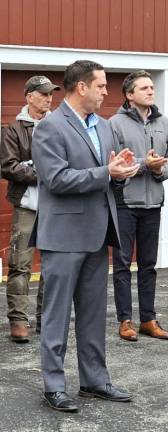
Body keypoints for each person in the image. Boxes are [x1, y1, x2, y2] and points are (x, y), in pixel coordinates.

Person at [31, 60, 139, 413]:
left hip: (97, 233)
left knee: (93, 314)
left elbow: (106, 176)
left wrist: (120, 172)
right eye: (102, 86)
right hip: (62, 236)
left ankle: (94, 380)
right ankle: (54, 385)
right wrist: (105, 172)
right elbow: (57, 179)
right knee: (57, 315)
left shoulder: (105, 127)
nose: (107, 92)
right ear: (81, 87)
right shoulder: (50, 127)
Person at [110, 70, 168, 342]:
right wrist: (143, 165)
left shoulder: (165, 123)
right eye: (144, 88)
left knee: (149, 264)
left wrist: (161, 170)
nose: (151, 91)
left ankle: (148, 319)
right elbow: (112, 161)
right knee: (122, 264)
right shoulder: (114, 124)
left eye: (152, 87)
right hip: (125, 203)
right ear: (129, 95)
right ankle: (125, 320)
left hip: (153, 204)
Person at [0, 76, 60, 342]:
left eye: (51, 94)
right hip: (27, 205)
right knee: (20, 264)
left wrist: (35, 167)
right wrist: (43, 173)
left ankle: (46, 320)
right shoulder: (13, 130)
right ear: (29, 97)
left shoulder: (60, 126)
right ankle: (18, 320)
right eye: (43, 94)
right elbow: (8, 166)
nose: (49, 98)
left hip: (55, 205)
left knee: (51, 265)